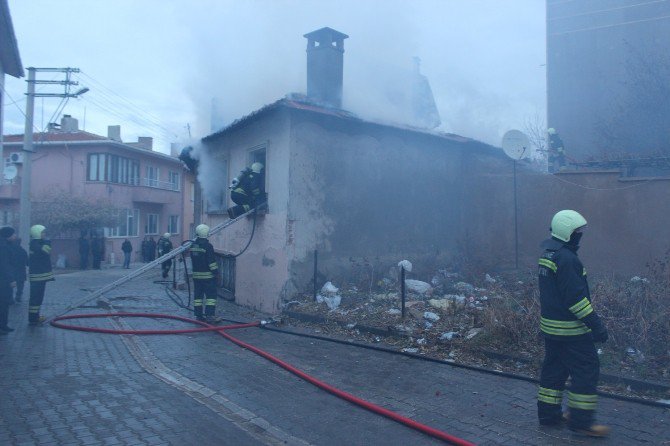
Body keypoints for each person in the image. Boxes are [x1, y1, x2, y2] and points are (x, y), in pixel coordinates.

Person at [537, 210, 609, 437]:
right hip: (571, 331)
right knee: (587, 369)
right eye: (577, 233)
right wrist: (597, 326)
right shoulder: (567, 260)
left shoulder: (548, 255)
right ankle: (581, 421)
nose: (580, 236)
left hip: (551, 328)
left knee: (554, 371)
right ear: (567, 233)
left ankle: (548, 415)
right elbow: (576, 300)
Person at [189, 224, 220, 323]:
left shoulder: (193, 245)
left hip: (196, 277)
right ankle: (210, 316)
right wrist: (217, 274)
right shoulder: (208, 246)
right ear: (206, 233)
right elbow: (212, 263)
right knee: (211, 297)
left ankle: (198, 316)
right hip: (208, 278)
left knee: (198, 297)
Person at [28, 224, 55, 326]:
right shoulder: (36, 244)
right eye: (43, 232)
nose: (45, 234)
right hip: (38, 277)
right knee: (36, 298)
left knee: (38, 298)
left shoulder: (35, 243)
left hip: (38, 276)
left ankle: (35, 316)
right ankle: (33, 318)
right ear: (37, 233)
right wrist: (48, 240)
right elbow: (47, 250)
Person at [0, 226, 17, 334]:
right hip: (3, 280)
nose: (15, 236)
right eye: (13, 234)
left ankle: (3, 325)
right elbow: (5, 265)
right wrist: (11, 279)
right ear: (8, 235)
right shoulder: (3, 247)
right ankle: (2, 325)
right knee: (3, 303)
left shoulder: (5, 245)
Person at [8, 236, 28, 303]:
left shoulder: (9, 250)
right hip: (21, 270)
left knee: (10, 285)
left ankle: (10, 298)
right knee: (20, 285)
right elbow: (28, 262)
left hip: (11, 270)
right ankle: (18, 296)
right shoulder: (23, 251)